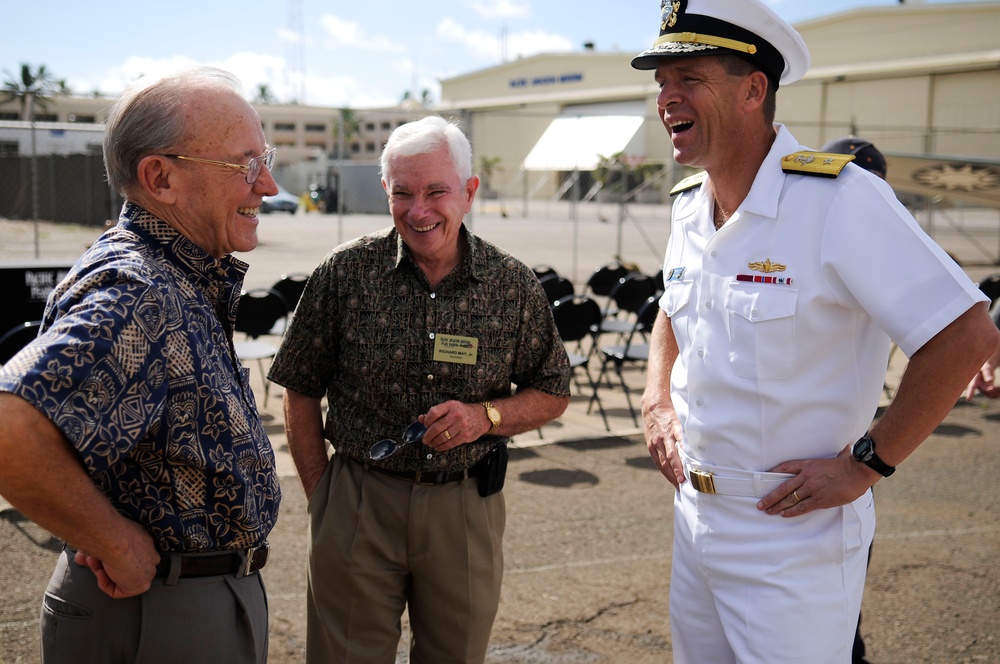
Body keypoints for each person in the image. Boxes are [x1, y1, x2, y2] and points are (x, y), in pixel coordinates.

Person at [631, 1, 1000, 662]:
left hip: (791, 537)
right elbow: (673, 305)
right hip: (696, 518)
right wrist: (657, 397)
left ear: (753, 89)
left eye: (688, 77)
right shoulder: (691, 205)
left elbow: (966, 332)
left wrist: (869, 463)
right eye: (661, 82)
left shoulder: (839, 200)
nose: (667, 97)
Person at [0, 67, 281, 664]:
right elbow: (8, 428)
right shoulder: (141, 290)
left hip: (183, 606)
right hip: (157, 616)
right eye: (247, 164)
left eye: (267, 159)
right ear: (161, 177)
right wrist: (114, 541)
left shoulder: (178, 275)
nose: (270, 185)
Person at [267, 115, 571, 663]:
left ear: (469, 192)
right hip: (358, 500)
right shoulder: (344, 274)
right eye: (403, 193)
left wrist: (487, 417)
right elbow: (300, 388)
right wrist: (325, 498)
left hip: (463, 509)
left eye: (436, 191)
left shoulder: (512, 285)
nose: (419, 210)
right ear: (386, 191)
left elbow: (552, 388)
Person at [821, 134, 887, 664]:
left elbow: (961, 337)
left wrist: (870, 462)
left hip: (843, 464)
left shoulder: (885, 245)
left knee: (840, 603)